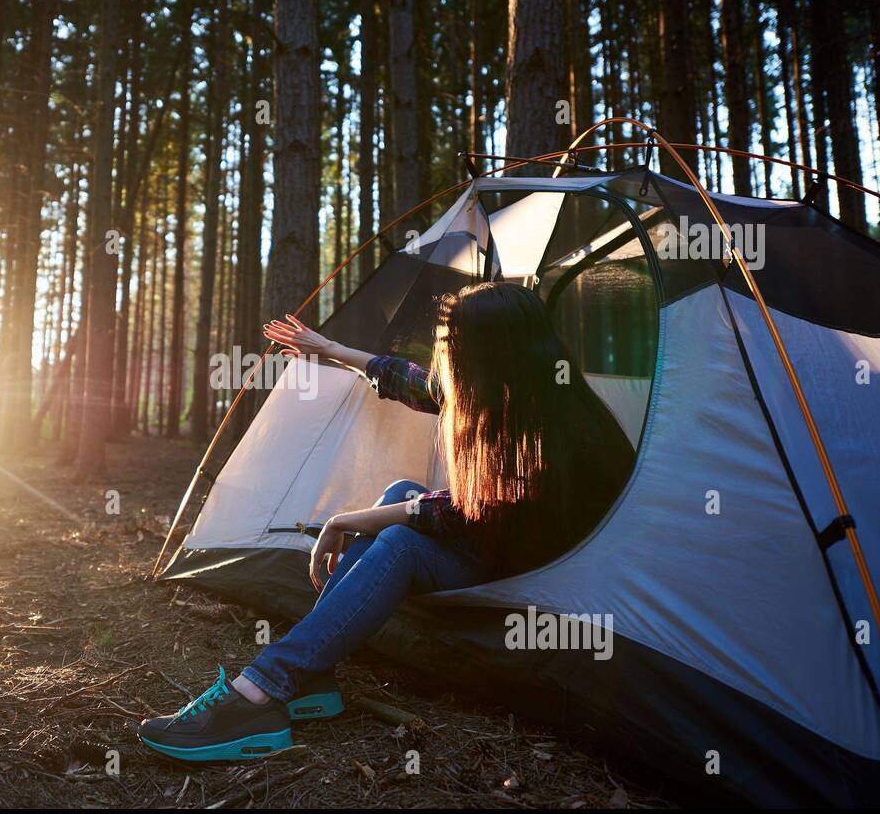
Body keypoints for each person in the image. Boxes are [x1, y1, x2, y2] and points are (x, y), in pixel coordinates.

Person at [138, 282, 636, 762]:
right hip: (499, 542)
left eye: (455, 346)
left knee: (399, 539)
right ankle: (312, 676)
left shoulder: (553, 424)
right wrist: (326, 347)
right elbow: (410, 381)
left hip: (536, 573)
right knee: (400, 498)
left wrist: (347, 519)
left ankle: (260, 690)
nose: (446, 357)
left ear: (492, 350)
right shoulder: (507, 385)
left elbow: (468, 508)